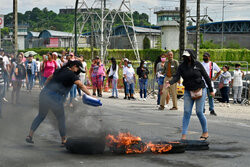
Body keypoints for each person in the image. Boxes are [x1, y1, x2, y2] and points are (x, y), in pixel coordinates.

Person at [26, 61, 92, 145]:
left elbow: (49, 78)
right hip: (55, 97)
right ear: (74, 66)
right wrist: (91, 95)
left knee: (41, 115)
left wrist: (46, 88)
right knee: (61, 119)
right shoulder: (72, 75)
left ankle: (29, 135)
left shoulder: (60, 70)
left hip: (44, 94)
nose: (78, 71)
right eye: (78, 69)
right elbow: (81, 85)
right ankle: (63, 140)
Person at [165, 49, 215, 140]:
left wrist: (211, 90)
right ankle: (183, 136)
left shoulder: (198, 65)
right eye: (184, 56)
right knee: (187, 112)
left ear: (191, 56)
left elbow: (206, 77)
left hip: (200, 89)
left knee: (199, 112)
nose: (186, 58)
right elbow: (177, 76)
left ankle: (205, 132)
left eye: (187, 56)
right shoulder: (181, 67)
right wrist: (170, 82)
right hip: (188, 91)